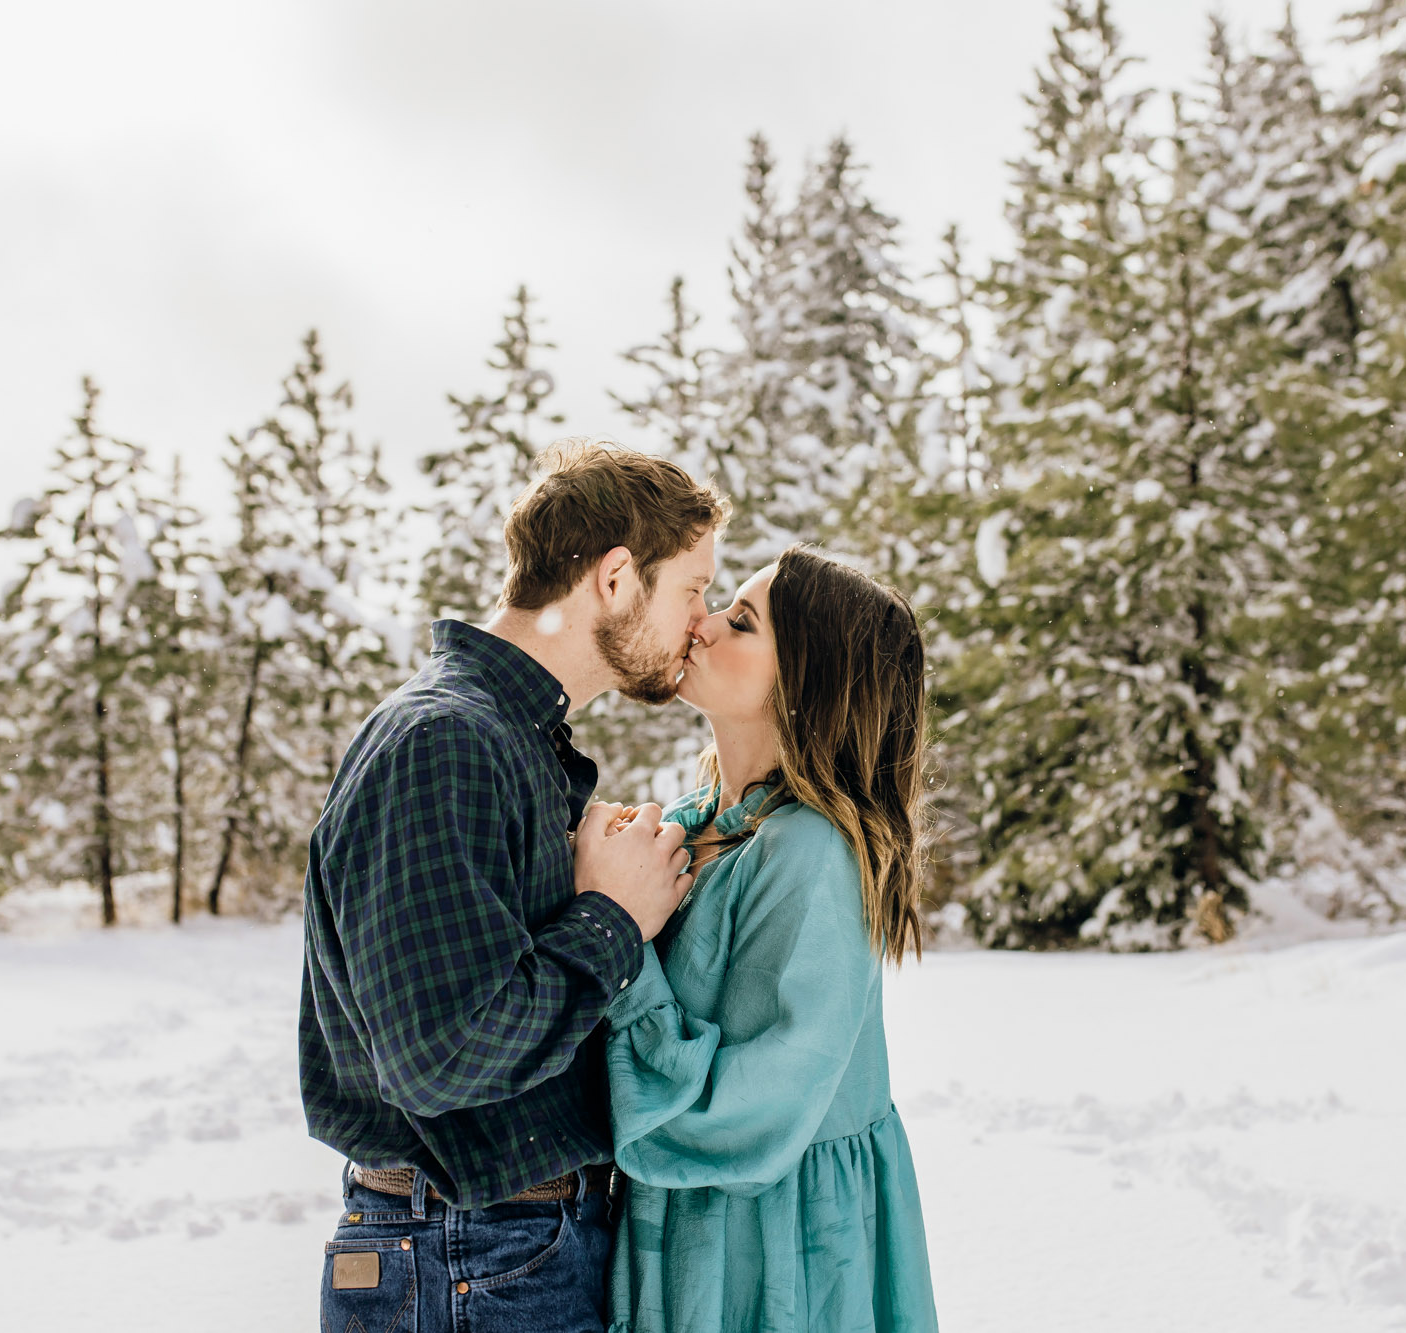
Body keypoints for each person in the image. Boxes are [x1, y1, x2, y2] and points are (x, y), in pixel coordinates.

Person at [300, 439, 724, 1333]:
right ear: (615, 578)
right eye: (692, 589)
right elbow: (441, 1054)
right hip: (467, 1253)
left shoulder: (511, 744)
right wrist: (613, 919)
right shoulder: (443, 742)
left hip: (493, 1249)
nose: (702, 620)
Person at [599, 545, 940, 1333]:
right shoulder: (695, 824)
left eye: (741, 622)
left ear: (805, 685)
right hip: (690, 1228)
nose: (704, 625)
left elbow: (755, 1111)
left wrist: (621, 953)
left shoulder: (813, 854)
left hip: (776, 1252)